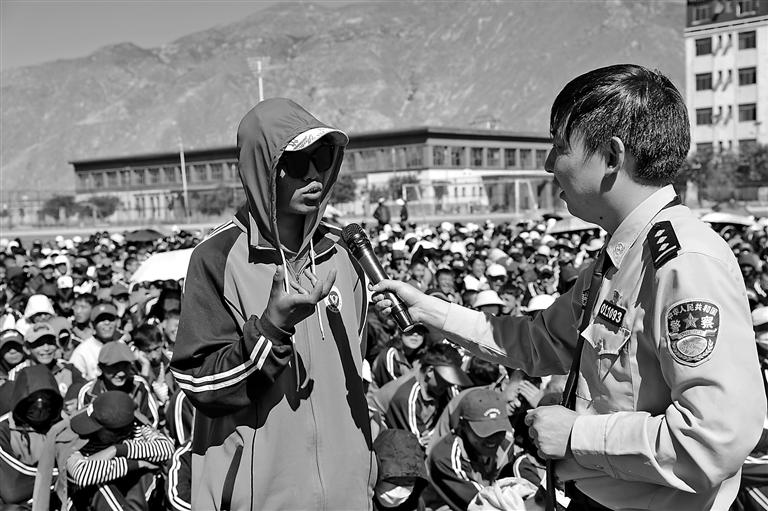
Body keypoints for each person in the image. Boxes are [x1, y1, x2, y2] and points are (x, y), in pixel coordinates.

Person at [373, 64, 765, 510]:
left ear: (612, 157)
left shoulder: (683, 263)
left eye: (560, 147)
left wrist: (579, 434)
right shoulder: (618, 258)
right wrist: (429, 311)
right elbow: (536, 340)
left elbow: (715, 438)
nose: (548, 165)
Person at [170, 98, 376, 510]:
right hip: (257, 497)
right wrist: (271, 329)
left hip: (347, 495)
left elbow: (355, 368)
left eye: (323, 158)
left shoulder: (343, 253)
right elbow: (201, 385)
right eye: (297, 162)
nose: (314, 174)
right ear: (264, 168)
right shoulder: (217, 257)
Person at [426, 388, 541, 511]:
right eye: (484, 431)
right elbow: (483, 504)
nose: (493, 439)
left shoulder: (506, 443)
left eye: (498, 430)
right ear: (463, 425)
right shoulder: (446, 458)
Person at [0, 365, 63, 507]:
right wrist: (62, 475)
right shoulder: (4, 430)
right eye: (33, 400)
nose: (40, 407)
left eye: (46, 400)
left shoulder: (63, 424)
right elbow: (13, 489)